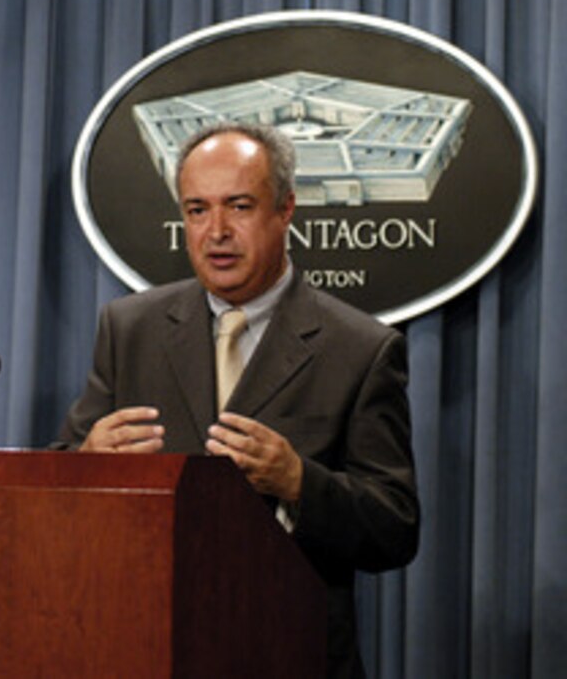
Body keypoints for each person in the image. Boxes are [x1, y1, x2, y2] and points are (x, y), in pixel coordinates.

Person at [56, 122, 419, 677]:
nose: (216, 231)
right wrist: (83, 467)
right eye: (197, 210)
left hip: (286, 653)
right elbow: (58, 483)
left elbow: (394, 528)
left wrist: (300, 482)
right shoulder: (131, 328)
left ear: (286, 210)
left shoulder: (361, 349)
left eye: (239, 206)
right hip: (143, 648)